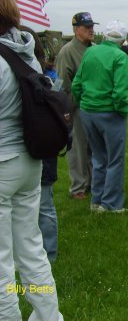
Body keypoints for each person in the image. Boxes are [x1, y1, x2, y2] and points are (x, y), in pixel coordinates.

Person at [0, 0, 63, 320]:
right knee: (31, 249)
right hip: (28, 162)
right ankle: (48, 315)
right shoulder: (23, 51)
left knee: (1, 262)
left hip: (3, 162)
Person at [72, 20, 128, 213]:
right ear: (122, 40)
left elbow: (76, 84)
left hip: (88, 111)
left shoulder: (89, 52)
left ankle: (96, 200)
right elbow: (121, 93)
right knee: (115, 159)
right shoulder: (120, 57)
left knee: (98, 157)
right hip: (109, 112)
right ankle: (111, 203)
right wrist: (122, 111)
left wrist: (84, 102)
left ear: (104, 36)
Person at [24, 26, 60, 260]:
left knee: (44, 203)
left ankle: (48, 253)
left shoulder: (44, 78)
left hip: (40, 143)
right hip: (42, 144)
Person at [55, 11, 96, 199]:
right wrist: (66, 109)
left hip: (95, 106)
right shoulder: (67, 51)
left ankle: (93, 183)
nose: (91, 30)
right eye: (87, 27)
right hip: (76, 106)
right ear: (76, 29)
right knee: (77, 148)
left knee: (93, 147)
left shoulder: (94, 48)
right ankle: (78, 187)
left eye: (92, 26)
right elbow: (62, 84)